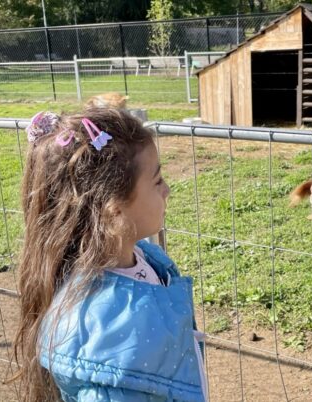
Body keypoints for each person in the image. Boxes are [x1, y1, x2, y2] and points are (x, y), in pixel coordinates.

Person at [13, 109, 207, 402]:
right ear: (113, 209)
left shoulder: (147, 259)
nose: (167, 190)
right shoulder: (102, 334)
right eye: (156, 181)